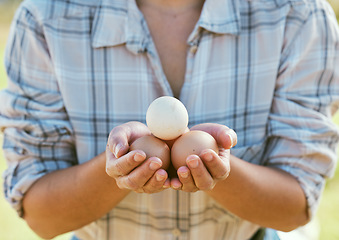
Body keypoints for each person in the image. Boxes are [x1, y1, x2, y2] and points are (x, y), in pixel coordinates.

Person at [1, 0, 338, 239]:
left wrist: (217, 167)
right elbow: (41, 217)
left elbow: (295, 209)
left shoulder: (297, 14)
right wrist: (120, 166)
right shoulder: (47, 17)